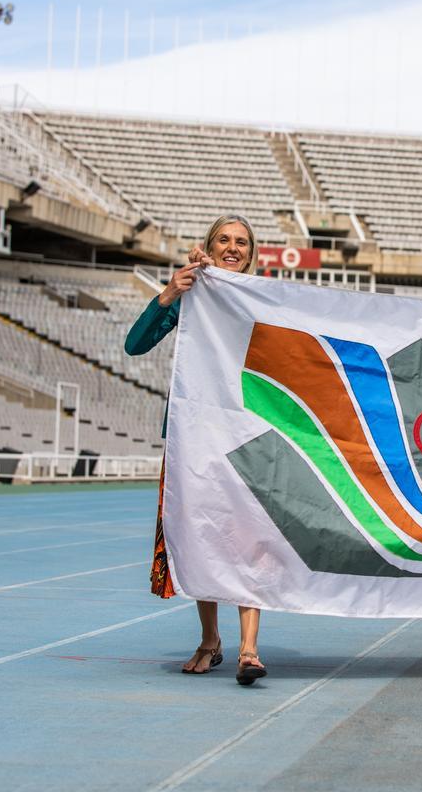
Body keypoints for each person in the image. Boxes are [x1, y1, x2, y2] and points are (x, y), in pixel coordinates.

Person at [125, 213, 269, 686]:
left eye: (242, 242)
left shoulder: (270, 298)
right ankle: (211, 640)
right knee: (201, 536)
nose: (233, 248)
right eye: (224, 240)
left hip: (248, 436)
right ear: (209, 245)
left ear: (252, 253)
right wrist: (170, 293)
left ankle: (250, 648)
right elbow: (135, 345)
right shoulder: (192, 293)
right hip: (194, 437)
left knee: (251, 540)